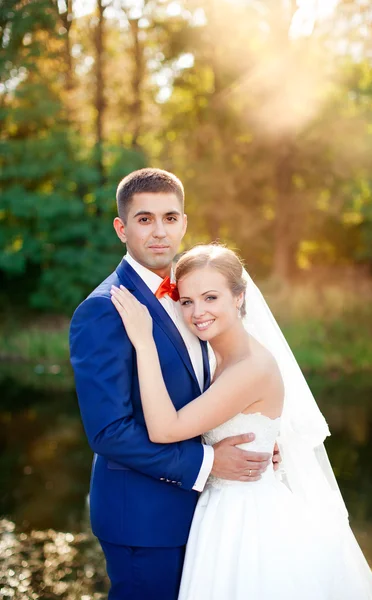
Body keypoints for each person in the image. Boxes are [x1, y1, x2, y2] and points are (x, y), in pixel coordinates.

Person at [110, 243, 372, 600]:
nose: (197, 312)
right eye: (188, 301)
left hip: (247, 521)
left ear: (239, 297)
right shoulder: (215, 353)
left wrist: (144, 343)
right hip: (220, 509)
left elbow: (165, 429)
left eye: (211, 298)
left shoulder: (251, 367)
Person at [69, 168, 280, 600]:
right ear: (121, 228)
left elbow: (212, 391)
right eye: (144, 219)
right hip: (143, 520)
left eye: (170, 217)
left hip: (209, 516)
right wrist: (208, 463)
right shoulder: (104, 310)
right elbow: (108, 432)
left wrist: (257, 438)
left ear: (184, 222)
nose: (159, 231)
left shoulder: (195, 296)